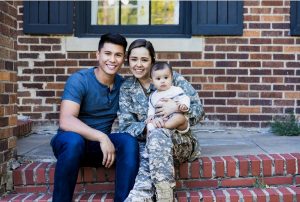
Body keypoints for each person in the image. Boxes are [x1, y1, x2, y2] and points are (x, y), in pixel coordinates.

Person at [50, 33, 139, 202]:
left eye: (118, 55)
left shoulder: (124, 85)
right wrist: (102, 136)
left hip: (97, 149)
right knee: (73, 141)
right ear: (97, 55)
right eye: (107, 53)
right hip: (70, 143)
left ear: (123, 59)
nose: (112, 60)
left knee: (128, 141)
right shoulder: (79, 80)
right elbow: (66, 120)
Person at [118, 39, 204, 202]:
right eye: (134, 59)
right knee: (150, 146)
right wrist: (147, 125)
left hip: (179, 141)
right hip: (148, 143)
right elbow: (125, 126)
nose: (139, 64)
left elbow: (199, 109)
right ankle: (149, 197)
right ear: (128, 60)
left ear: (152, 61)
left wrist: (177, 108)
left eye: (144, 60)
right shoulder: (127, 88)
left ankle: (160, 196)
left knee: (155, 139)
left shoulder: (170, 78)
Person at [146, 62, 190, 134]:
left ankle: (164, 127)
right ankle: (149, 140)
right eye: (158, 78)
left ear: (171, 78)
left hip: (176, 118)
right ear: (152, 81)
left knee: (179, 118)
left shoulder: (176, 90)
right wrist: (150, 116)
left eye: (166, 77)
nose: (163, 81)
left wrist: (184, 105)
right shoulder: (152, 96)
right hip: (161, 119)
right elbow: (151, 108)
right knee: (149, 125)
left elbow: (185, 97)